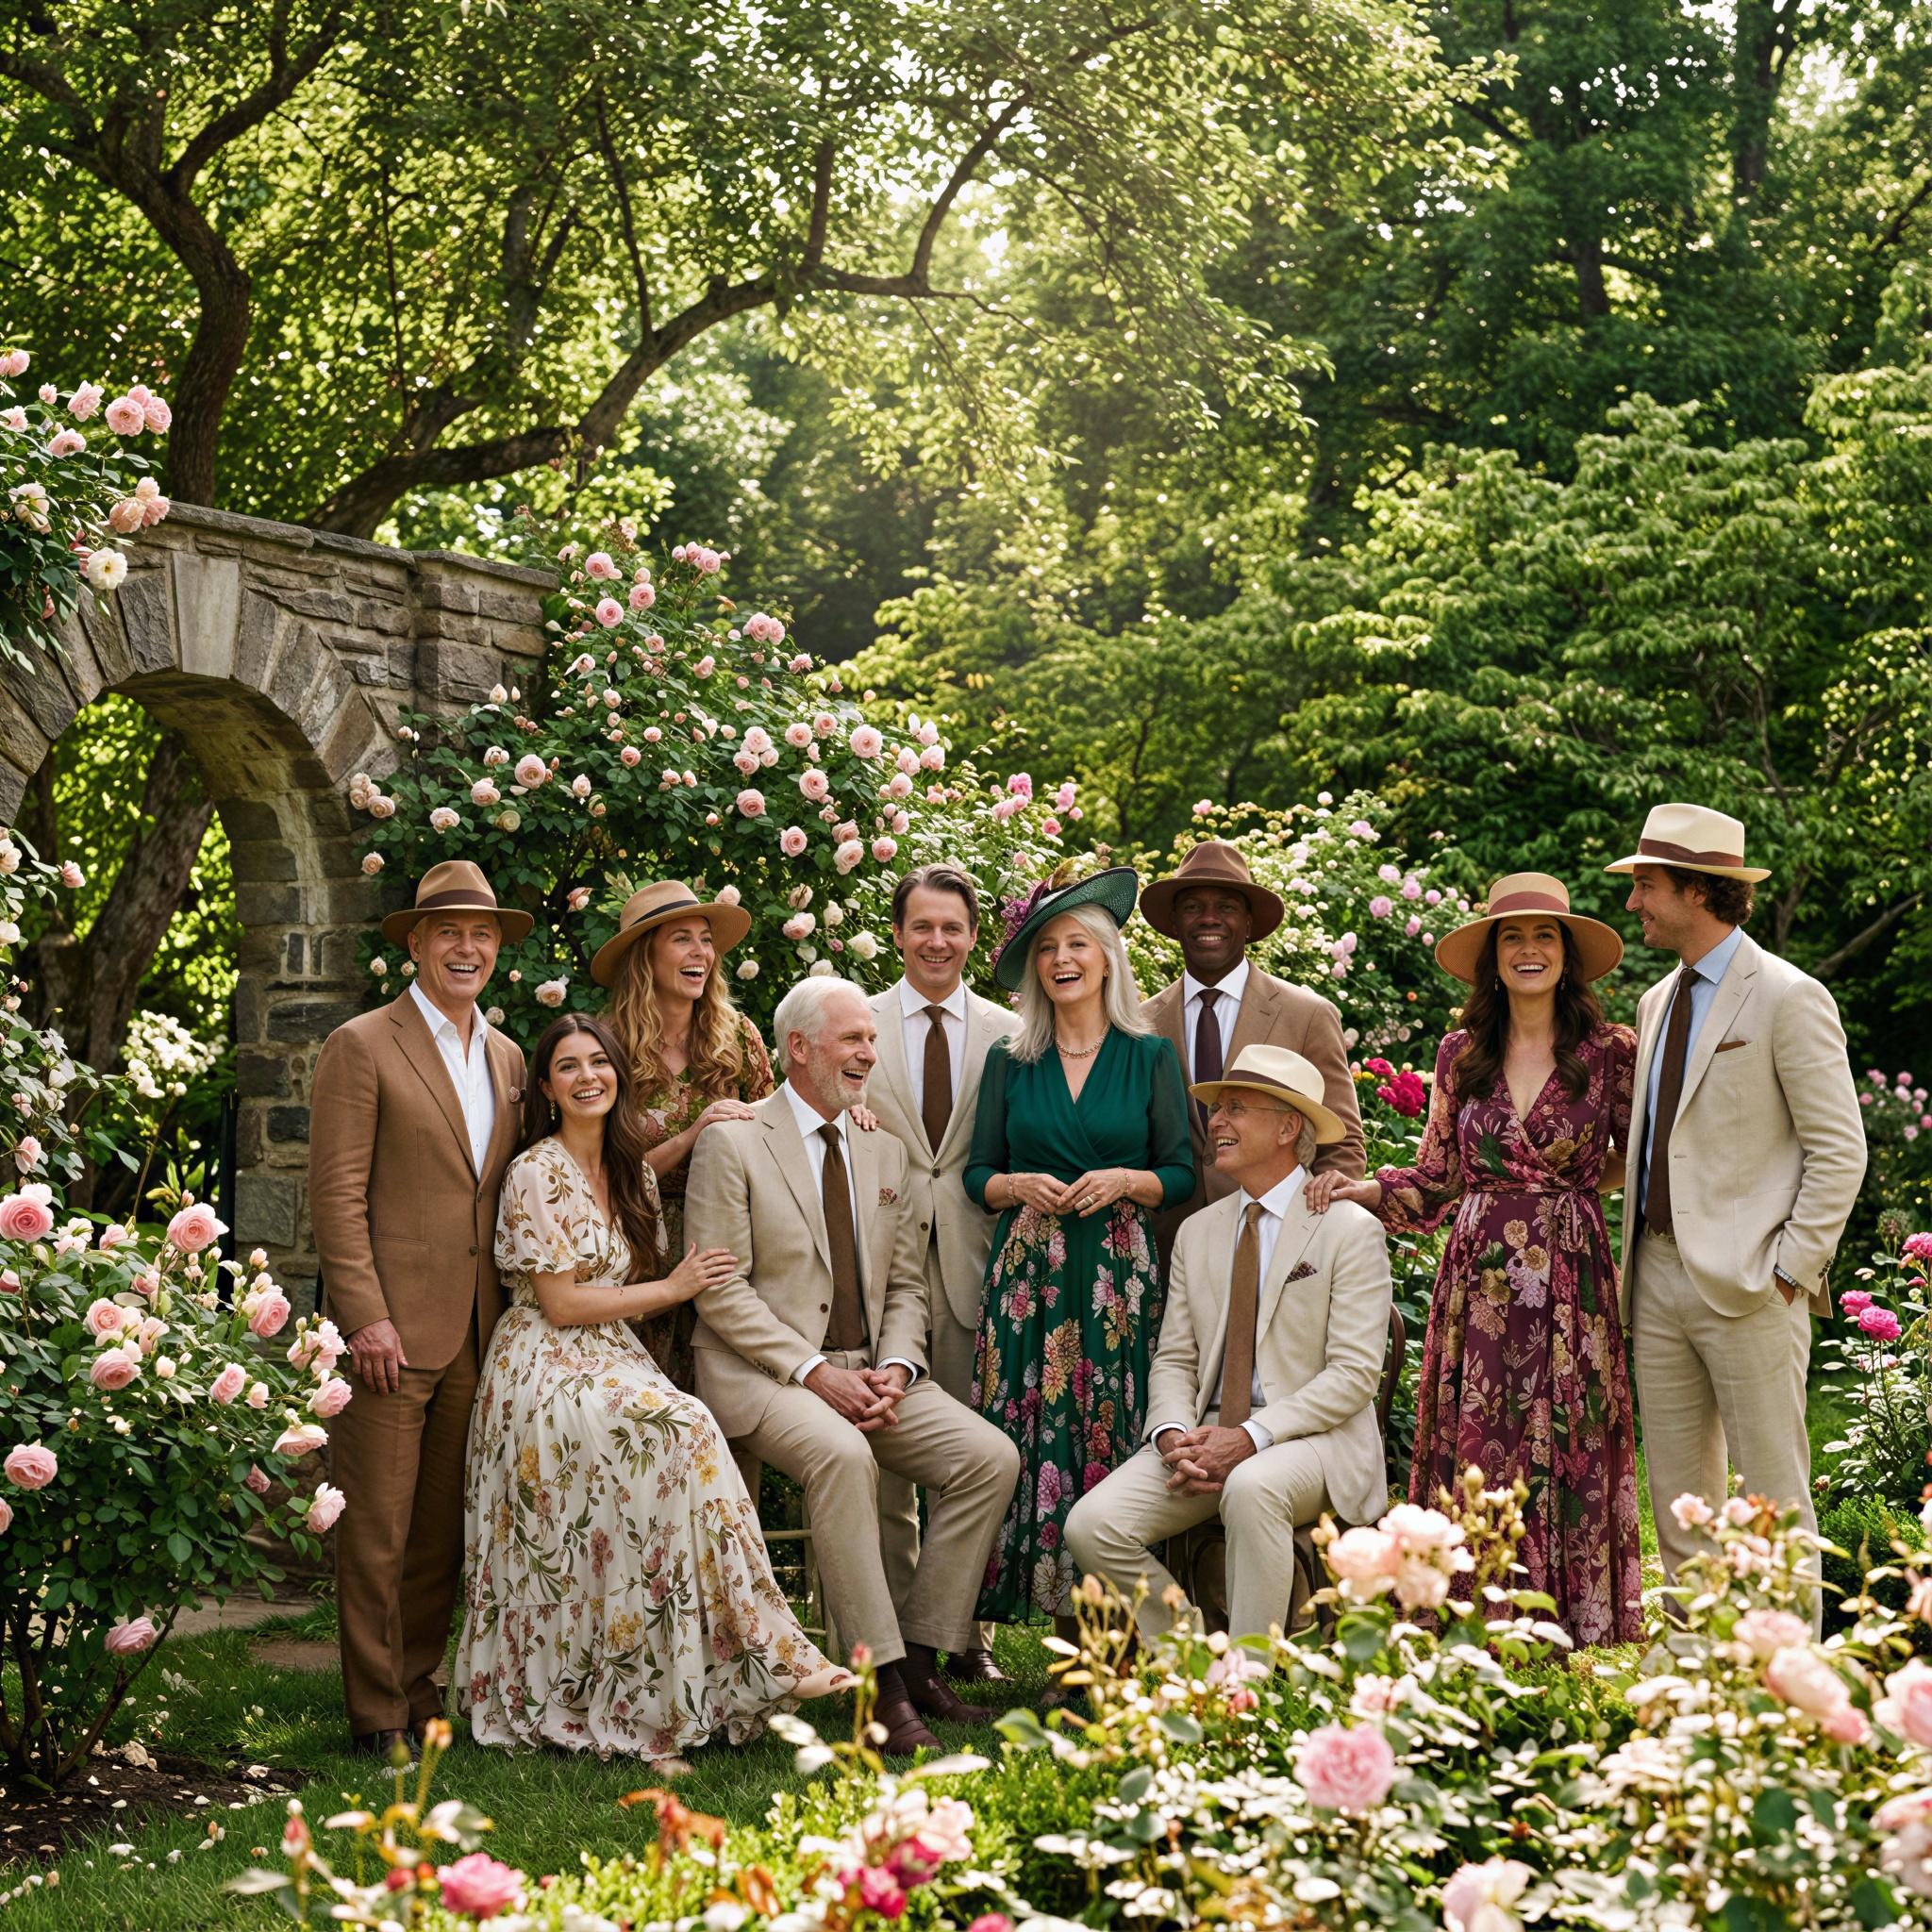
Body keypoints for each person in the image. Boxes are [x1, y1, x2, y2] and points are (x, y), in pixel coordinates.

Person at [458, 1012, 850, 1763]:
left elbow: (657, 1161)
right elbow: (564, 1303)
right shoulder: (535, 1172)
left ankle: (686, 1684)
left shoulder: (629, 1167)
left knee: (676, 1454)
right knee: (679, 1430)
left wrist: (710, 1123)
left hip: (609, 1357)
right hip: (544, 1364)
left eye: (597, 1063)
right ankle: (754, 1651)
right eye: (567, 1067)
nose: (586, 1078)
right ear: (546, 1086)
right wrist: (672, 1289)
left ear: (617, 1077)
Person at [683, 974, 1021, 1757]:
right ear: (798, 1048)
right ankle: (880, 1689)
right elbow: (721, 1293)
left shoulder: (883, 1147)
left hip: (871, 1370)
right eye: (853, 1039)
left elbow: (904, 1284)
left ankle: (924, 1654)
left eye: (871, 1038)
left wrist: (897, 1370)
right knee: (841, 1456)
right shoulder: (732, 1142)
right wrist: (814, 1372)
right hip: (763, 1373)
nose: (870, 1053)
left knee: (989, 1457)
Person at [1307, 873, 1643, 1645]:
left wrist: (1565, 1194)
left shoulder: (1611, 1051)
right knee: (1481, 1453)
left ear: (1569, 955)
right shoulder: (1461, 1052)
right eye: (1513, 938)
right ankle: (1475, 1627)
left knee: (1573, 1444)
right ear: (1493, 957)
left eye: (1545, 936)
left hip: (1572, 1279)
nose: (1529, 950)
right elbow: (1437, 1177)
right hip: (1482, 1284)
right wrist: (1359, 1188)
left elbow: (1635, 1158)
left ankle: (1574, 1634)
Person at [1606, 804, 1866, 1622]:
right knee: (1682, 1504)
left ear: (1697, 889)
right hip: (1655, 1279)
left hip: (1755, 1285)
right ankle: (1699, 1687)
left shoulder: (1790, 997)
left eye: (1646, 885)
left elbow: (1839, 1151)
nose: (1633, 902)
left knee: (1774, 1503)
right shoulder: (1654, 1002)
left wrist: (1789, 1269)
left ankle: (1787, 1696)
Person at [309, 859, 531, 1755]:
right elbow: (336, 1194)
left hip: (479, 1327)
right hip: (391, 1332)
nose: (468, 947)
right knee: (377, 1529)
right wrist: (364, 1315)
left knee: (443, 1529)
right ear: (415, 943)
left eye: (481, 934)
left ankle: (419, 1689)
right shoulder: (362, 1045)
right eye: (450, 932)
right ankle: (374, 1714)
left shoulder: (511, 1057)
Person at [1065, 1046, 1391, 1641]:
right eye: (1216, 1110)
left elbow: (1352, 1377)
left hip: (1314, 1442)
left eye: (1236, 1108)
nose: (1215, 1122)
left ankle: (1252, 1685)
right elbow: (1177, 1357)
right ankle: (1192, 1658)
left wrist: (1248, 1438)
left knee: (1251, 1485)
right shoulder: (1200, 1230)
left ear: (1289, 1126)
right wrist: (1171, 1436)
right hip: (1206, 1434)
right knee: (1093, 1524)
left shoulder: (1349, 1229)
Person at [965, 865, 1194, 1627]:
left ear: (1105, 957)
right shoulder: (1010, 1059)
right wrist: (1015, 1186)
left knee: (1106, 1429)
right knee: (1028, 1440)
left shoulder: (1151, 1056)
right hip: (1029, 1275)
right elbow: (976, 1174)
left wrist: (1130, 1178)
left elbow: (1182, 1173)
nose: (1062, 959)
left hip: (1115, 1278)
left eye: (1076, 945)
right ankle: (1040, 1621)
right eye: (1046, 948)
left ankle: (1100, 1628)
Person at [864, 864, 1018, 1685]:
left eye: (952, 928)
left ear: (971, 938)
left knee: (975, 1441)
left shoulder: (1007, 1030)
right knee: (887, 1456)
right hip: (874, 1261)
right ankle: (893, 1647)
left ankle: (968, 1637)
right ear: (898, 933)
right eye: (921, 926)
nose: (937, 941)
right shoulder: (860, 1024)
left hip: (971, 1259)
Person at [1140, 841, 1365, 1257]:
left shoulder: (1308, 1015)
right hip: (1169, 1249)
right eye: (1192, 907)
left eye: (1226, 906)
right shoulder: (1140, 1024)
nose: (1209, 918)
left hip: (1281, 1246)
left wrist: (1317, 1233)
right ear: (1173, 922)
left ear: (1248, 923)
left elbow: (1343, 1145)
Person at [593, 881, 774, 1390]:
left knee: (732, 1400)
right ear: (643, 957)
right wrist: (697, 1131)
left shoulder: (738, 1036)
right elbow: (598, 1176)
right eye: (681, 940)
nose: (701, 953)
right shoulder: (607, 1048)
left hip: (727, 1242)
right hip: (639, 1247)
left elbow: (777, 1136)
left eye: (706, 939)